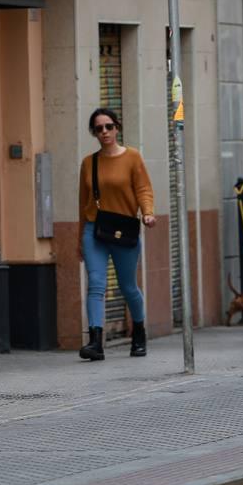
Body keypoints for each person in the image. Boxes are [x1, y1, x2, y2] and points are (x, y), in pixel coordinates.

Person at [77, 108, 156, 361]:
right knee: (96, 284)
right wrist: (80, 237)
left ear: (117, 128)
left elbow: (143, 188)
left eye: (108, 126)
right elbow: (83, 202)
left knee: (128, 286)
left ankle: (139, 333)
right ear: (94, 133)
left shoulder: (133, 157)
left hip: (125, 230)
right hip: (95, 229)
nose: (104, 132)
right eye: (99, 129)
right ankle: (95, 342)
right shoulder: (89, 162)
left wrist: (148, 213)